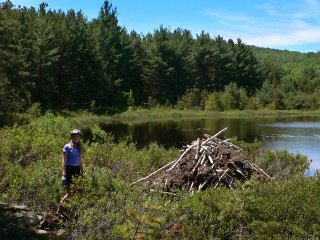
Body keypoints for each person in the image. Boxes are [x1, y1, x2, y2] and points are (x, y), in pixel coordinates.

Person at [56, 129, 84, 216]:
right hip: (69, 170)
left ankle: (67, 209)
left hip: (76, 170)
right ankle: (59, 211)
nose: (76, 138)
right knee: (70, 193)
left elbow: (80, 161)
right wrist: (64, 174)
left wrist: (82, 171)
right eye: (75, 136)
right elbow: (64, 161)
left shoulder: (78, 148)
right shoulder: (67, 147)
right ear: (72, 137)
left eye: (78, 137)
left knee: (74, 191)